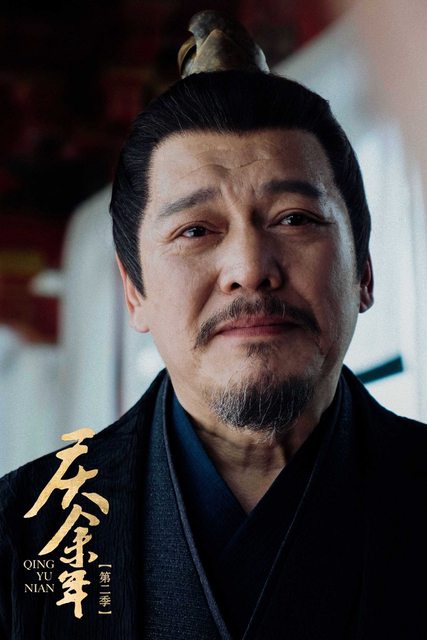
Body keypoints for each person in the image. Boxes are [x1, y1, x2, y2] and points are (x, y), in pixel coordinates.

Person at [0, 10, 426, 640]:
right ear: (134, 291)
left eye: (295, 219)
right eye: (196, 230)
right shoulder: (23, 536)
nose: (250, 269)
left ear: (363, 269)